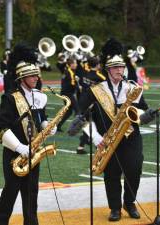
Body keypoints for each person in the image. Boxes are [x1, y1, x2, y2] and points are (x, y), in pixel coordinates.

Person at [78, 38, 154, 221]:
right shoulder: (95, 90)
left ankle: (129, 203)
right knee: (111, 174)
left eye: (121, 67)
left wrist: (145, 114)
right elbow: (80, 117)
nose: (120, 70)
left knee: (134, 169)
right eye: (115, 67)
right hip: (107, 138)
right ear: (108, 69)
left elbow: (142, 108)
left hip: (131, 136)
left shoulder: (132, 88)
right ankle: (115, 208)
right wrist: (96, 138)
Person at [0, 43, 56, 225]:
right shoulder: (10, 98)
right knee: (11, 192)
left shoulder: (39, 97)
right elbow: (2, 128)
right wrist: (20, 148)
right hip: (15, 153)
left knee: (31, 193)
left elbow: (41, 118)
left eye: (37, 74)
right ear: (22, 77)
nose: (37, 78)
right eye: (32, 75)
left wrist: (47, 126)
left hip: (33, 153)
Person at [76, 56, 106, 154]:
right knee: (95, 124)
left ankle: (83, 145)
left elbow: (81, 86)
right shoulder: (100, 77)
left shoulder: (85, 74)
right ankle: (91, 145)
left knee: (89, 123)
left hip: (83, 101)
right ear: (97, 65)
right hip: (93, 104)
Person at [56, 57, 80, 132]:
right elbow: (72, 84)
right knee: (77, 110)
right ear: (71, 64)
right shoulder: (70, 72)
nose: (76, 64)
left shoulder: (69, 71)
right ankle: (72, 129)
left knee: (69, 111)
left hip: (66, 93)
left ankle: (58, 126)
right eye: (75, 63)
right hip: (67, 93)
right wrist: (78, 84)